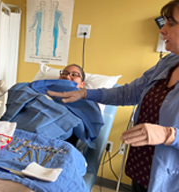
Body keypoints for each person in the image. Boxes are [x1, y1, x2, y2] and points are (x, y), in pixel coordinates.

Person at [49, 1, 179, 191]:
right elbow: (129, 92)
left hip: (170, 179)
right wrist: (85, 93)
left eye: (171, 23)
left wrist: (170, 135)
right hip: (142, 167)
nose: (162, 30)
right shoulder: (168, 63)